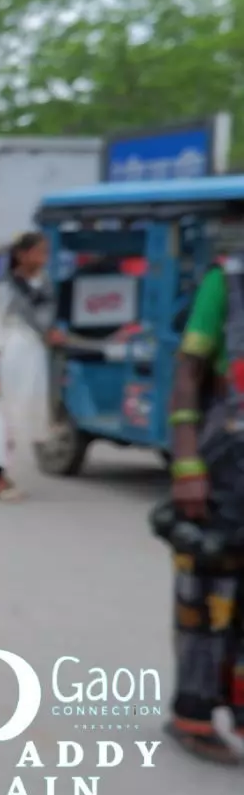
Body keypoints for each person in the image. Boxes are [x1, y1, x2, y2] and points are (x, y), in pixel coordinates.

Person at [161, 256, 244, 763]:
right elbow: (189, 371)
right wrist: (187, 461)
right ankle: (191, 716)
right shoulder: (227, 282)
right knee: (208, 596)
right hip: (226, 465)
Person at [0, 231, 57, 500]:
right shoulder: (8, 286)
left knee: (23, 415)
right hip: (11, 356)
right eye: (38, 252)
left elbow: (46, 320)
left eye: (46, 252)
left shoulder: (44, 284)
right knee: (5, 417)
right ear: (21, 255)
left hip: (34, 356)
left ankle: (3, 472)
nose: (43, 258)